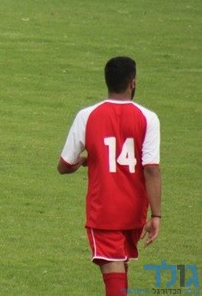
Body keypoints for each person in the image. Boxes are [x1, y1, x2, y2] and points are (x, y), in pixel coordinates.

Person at [58, 56, 162, 296]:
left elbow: (64, 164)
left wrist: (84, 161)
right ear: (132, 83)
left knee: (114, 271)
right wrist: (156, 215)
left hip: (104, 211)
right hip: (135, 212)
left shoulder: (87, 116)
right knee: (120, 268)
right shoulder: (149, 118)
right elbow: (151, 169)